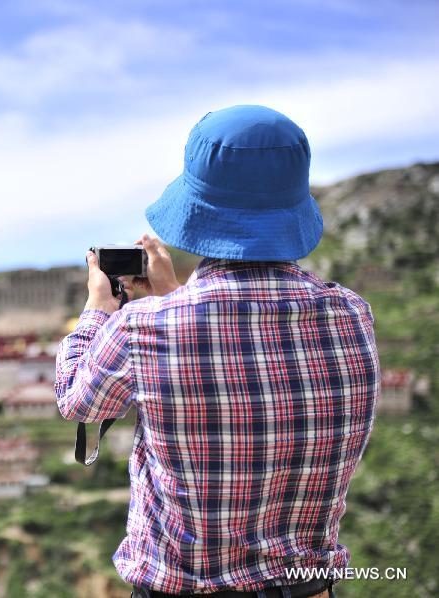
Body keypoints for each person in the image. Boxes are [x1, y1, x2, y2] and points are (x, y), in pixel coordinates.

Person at [55, 105, 379, 598]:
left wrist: (100, 308)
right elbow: (244, 352)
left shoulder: (144, 329)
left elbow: (76, 400)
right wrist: (171, 295)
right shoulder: (352, 313)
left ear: (197, 212)